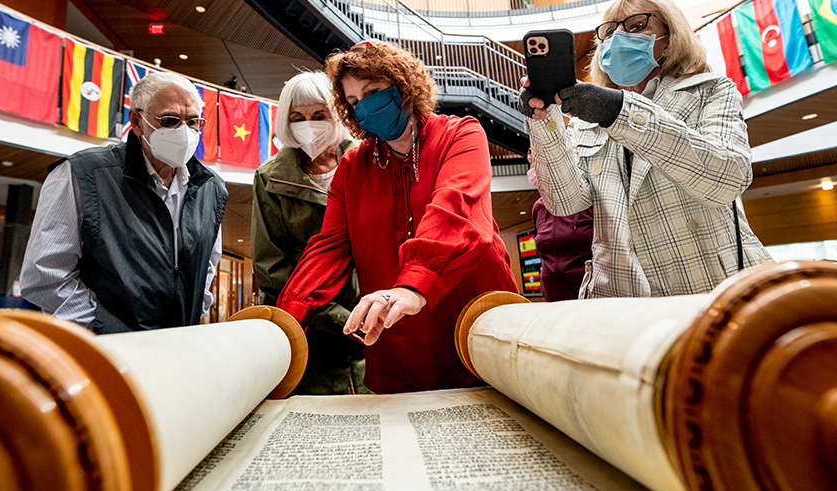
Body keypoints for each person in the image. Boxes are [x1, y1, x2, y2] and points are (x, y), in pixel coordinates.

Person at [277, 41, 519, 394]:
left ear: (404, 85)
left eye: (373, 91)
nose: (365, 107)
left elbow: (456, 211)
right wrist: (290, 313)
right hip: (395, 340)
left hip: (475, 325)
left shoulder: (461, 134)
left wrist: (413, 284)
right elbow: (327, 248)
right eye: (355, 101)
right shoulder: (353, 166)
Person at [521, 0, 770, 299]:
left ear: (668, 39)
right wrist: (543, 119)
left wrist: (620, 112)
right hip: (623, 298)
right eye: (609, 32)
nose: (619, 38)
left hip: (710, 284)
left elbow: (727, 178)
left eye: (636, 26)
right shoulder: (586, 123)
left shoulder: (711, 91)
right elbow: (565, 202)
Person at [20, 72, 226, 333]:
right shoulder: (83, 174)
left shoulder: (211, 188)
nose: (183, 131)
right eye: (170, 120)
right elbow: (45, 276)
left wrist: (190, 316)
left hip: (176, 348)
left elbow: (206, 267)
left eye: (193, 121)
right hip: (104, 352)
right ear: (137, 122)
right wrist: (107, 330)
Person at [253, 71, 369, 395]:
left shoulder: (370, 161)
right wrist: (339, 319)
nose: (309, 124)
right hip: (307, 333)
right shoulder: (269, 179)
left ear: (337, 114)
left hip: (375, 326)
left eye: (319, 115)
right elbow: (271, 268)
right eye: (297, 117)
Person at [528, 152, 593, 302]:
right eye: (531, 164)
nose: (533, 170)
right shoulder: (539, 207)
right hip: (553, 297)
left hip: (587, 296)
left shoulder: (589, 201)